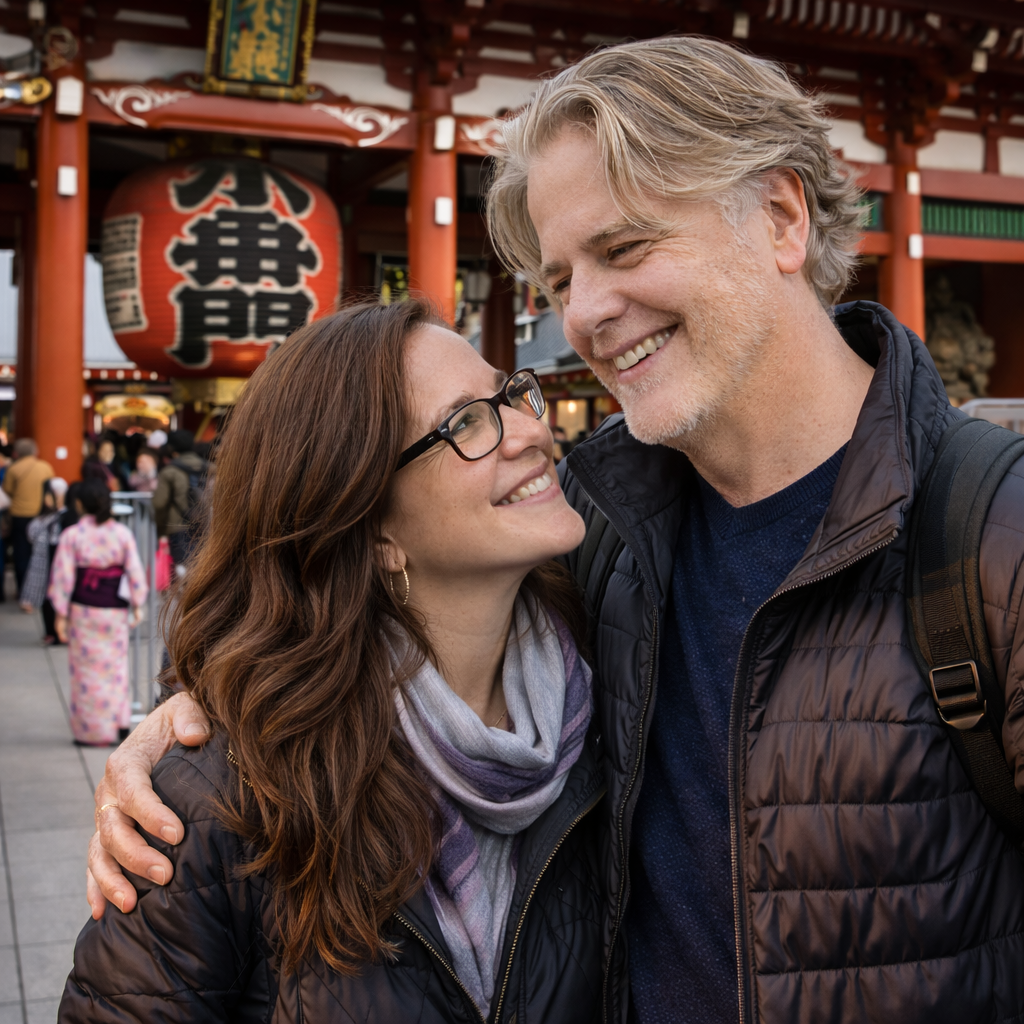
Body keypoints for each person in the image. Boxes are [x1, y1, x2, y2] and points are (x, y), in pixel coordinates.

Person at [89, 38, 1024, 1024]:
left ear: (781, 217)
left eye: (623, 250)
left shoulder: (990, 535)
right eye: (558, 279)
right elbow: (350, 597)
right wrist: (189, 736)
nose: (584, 315)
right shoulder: (599, 530)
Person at [61, 301, 603, 1024]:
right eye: (466, 422)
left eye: (509, 394)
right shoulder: (218, 799)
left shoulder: (617, 687)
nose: (534, 431)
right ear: (369, 526)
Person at [48, 478, 148, 746]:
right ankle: (119, 724)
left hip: (84, 611)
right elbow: (135, 572)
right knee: (116, 668)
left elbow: (63, 578)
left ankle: (91, 731)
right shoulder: (121, 534)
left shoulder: (73, 535)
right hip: (113, 610)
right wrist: (137, 603)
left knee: (86, 672)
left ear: (80, 505)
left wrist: (60, 615)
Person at [2, 438, 53, 597]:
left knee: (21, 554)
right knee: (39, 554)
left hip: (19, 516)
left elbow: (7, 491)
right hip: (40, 516)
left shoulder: (14, 469)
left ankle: (22, 590)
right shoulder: (45, 467)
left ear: (17, 453)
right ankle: (39, 591)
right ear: (34, 451)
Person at [19, 477, 68, 642]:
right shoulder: (63, 517)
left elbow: (31, 533)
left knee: (50, 600)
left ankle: (53, 633)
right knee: (51, 600)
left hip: (50, 565)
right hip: (53, 565)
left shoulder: (45, 519)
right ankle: (54, 633)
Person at [152, 429, 206, 570]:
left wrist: (161, 531)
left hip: (178, 528)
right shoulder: (212, 469)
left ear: (171, 448)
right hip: (208, 526)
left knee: (182, 571)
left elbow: (159, 504)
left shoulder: (169, 472)